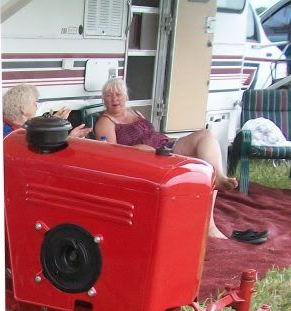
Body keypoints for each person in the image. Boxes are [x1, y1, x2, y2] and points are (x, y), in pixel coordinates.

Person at [94, 77, 236, 239]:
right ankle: (209, 222)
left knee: (205, 135)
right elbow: (111, 156)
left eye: (118, 94)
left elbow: (152, 133)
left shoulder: (135, 112)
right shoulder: (105, 122)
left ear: (126, 96)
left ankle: (217, 178)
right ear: (103, 99)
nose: (114, 99)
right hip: (150, 160)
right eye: (109, 95)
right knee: (203, 164)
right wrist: (136, 150)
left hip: (165, 147)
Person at [2, 83, 92, 138]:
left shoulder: (13, 127)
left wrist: (53, 121)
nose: (36, 105)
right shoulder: (15, 135)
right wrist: (71, 138)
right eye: (34, 102)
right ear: (23, 109)